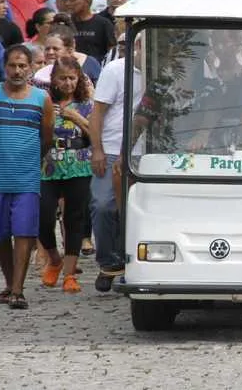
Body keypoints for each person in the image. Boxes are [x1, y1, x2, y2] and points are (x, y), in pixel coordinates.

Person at [0, 45, 53, 309]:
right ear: (4, 67)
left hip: (26, 177)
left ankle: (18, 289)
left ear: (31, 68)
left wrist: (33, 161)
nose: (17, 71)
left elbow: (46, 137)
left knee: (24, 232)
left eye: (22, 66)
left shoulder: (41, 99)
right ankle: (8, 284)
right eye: (12, 65)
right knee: (0, 235)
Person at [87, 36, 144, 292]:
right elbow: (97, 112)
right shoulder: (116, 70)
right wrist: (97, 149)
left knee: (134, 212)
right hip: (111, 148)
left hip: (144, 152)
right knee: (103, 205)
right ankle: (108, 261)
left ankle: (129, 264)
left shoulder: (161, 71)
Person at [38, 57, 94, 293]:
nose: (68, 83)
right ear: (54, 80)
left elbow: (95, 134)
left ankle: (70, 273)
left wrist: (76, 118)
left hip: (79, 163)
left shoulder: (87, 104)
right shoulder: (45, 101)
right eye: (63, 78)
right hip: (49, 165)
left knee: (74, 218)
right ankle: (54, 258)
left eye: (73, 78)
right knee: (43, 217)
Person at [63, 0, 115, 64]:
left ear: (86, 1)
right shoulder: (65, 23)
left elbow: (112, 52)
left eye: (72, 0)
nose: (67, 3)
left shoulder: (103, 24)